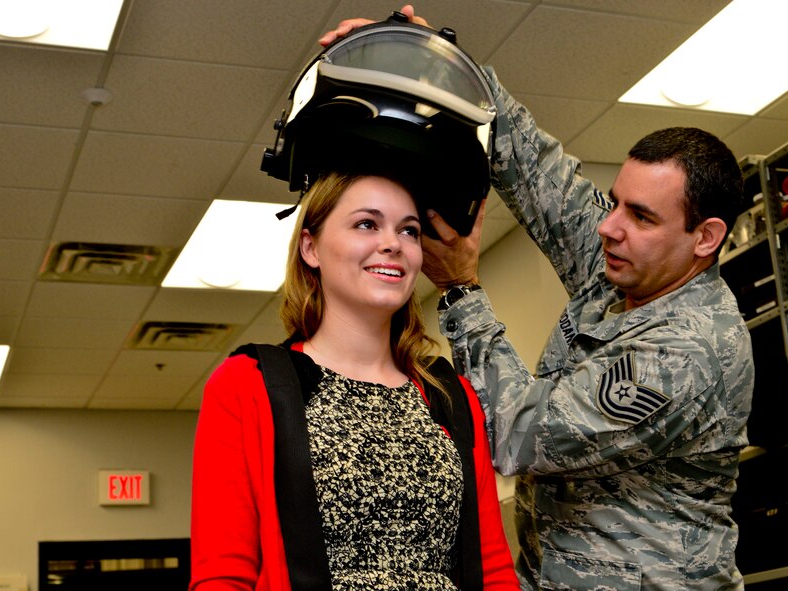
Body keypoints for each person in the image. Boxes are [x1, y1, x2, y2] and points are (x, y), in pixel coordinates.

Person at [322, 6, 754, 591]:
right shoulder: (627, 264)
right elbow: (533, 167)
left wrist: (461, 291)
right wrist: (431, 60)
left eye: (642, 215)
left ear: (705, 238)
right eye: (616, 202)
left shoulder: (690, 350)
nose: (610, 226)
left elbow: (519, 436)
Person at [189, 170, 519, 591]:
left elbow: (491, 567)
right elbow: (223, 574)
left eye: (409, 230)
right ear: (311, 247)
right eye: (367, 223)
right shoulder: (249, 383)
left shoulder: (449, 393)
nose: (392, 243)